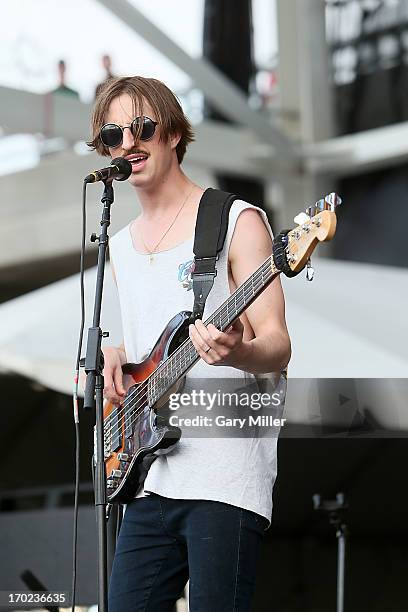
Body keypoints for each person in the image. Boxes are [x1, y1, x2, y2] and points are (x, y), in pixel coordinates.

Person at [87, 76, 291, 612]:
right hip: (151, 477)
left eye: (143, 128)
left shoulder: (234, 220)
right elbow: (138, 361)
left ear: (173, 133)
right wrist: (111, 366)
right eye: (114, 135)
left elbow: (277, 344)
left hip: (225, 479)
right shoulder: (119, 247)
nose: (129, 143)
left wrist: (239, 351)